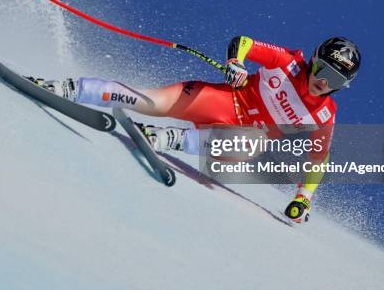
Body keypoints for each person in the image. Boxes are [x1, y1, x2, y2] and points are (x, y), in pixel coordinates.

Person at [28, 36, 361, 223]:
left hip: (235, 142)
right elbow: (243, 42)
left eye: (334, 80)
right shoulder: (288, 62)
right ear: (313, 59)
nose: (321, 82)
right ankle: (62, 87)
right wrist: (236, 64)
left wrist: (304, 198)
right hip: (219, 101)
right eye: (322, 70)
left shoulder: (324, 116)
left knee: (253, 144)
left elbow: (319, 158)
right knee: (148, 101)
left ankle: (161, 137)